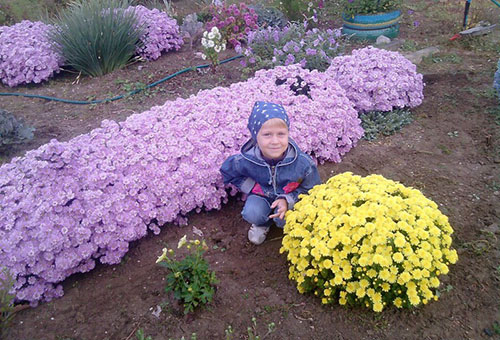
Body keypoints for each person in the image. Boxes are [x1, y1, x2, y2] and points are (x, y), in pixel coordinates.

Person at [220, 101, 321, 245]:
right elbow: (228, 171)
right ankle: (263, 224)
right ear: (255, 137)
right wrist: (253, 187)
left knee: (284, 220)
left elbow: (313, 189)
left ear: (288, 134)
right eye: (267, 134)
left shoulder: (302, 163)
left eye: (281, 134)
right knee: (252, 213)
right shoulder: (247, 159)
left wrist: (288, 200)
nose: (275, 141)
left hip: (289, 200)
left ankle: (285, 224)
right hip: (261, 196)